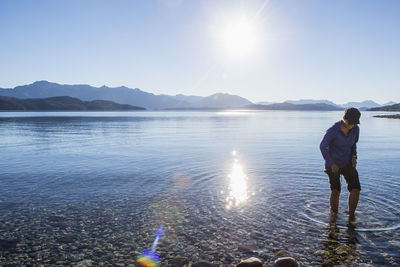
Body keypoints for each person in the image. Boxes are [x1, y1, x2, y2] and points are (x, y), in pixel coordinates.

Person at [320, 107, 361, 222]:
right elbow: (322, 146)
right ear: (344, 118)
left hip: (348, 163)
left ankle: (351, 216)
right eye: (350, 122)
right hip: (333, 165)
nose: (352, 125)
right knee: (335, 191)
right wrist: (331, 163)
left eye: (355, 123)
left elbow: (353, 145)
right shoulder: (333, 130)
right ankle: (334, 217)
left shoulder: (356, 129)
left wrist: (354, 157)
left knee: (356, 189)